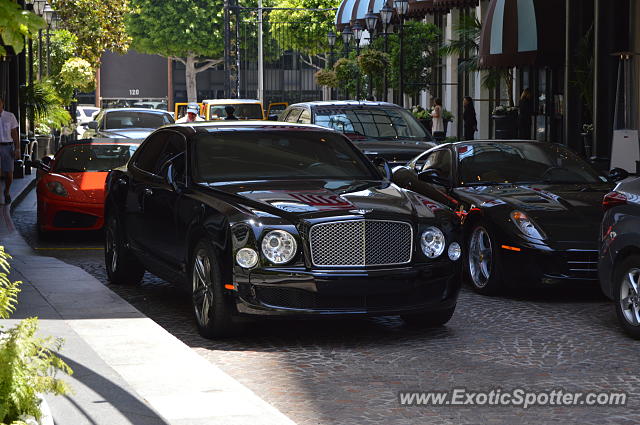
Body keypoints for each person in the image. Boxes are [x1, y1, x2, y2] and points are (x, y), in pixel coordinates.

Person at [0, 96, 20, 204]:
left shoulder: (9, 116)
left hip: (8, 146)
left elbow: (14, 133)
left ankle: (6, 191)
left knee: (9, 173)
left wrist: (17, 148)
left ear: (2, 103)